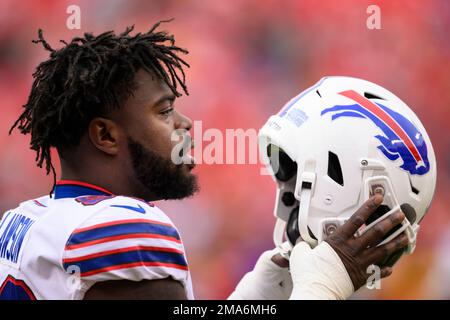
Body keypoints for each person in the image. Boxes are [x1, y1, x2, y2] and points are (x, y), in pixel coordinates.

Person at [0, 22, 407, 300]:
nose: (185, 124)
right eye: (163, 111)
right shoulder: (124, 226)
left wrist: (257, 295)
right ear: (106, 135)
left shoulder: (23, 218)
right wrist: (324, 285)